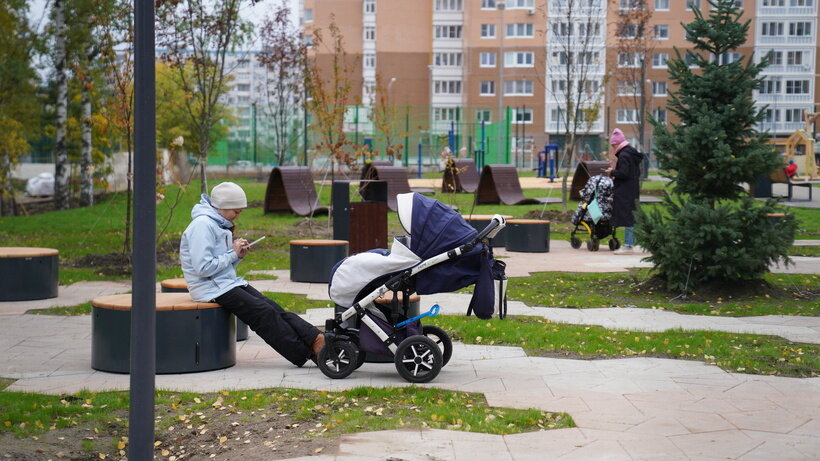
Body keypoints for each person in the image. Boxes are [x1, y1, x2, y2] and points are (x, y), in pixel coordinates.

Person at [180, 182, 325, 367]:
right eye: (236, 211)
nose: (237, 216)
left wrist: (238, 255)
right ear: (223, 206)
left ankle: (315, 338)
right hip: (209, 288)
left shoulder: (216, 223)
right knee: (262, 314)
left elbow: (219, 263)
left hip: (224, 283)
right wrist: (232, 253)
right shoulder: (202, 226)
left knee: (271, 306)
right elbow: (203, 268)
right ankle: (305, 352)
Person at [604, 129, 644, 255]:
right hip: (632, 189)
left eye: (612, 146)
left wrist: (612, 172)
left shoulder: (624, 155)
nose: (612, 148)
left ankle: (628, 245)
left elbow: (624, 173)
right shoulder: (631, 153)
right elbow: (634, 172)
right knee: (631, 216)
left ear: (616, 144)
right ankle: (631, 243)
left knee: (628, 217)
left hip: (625, 191)